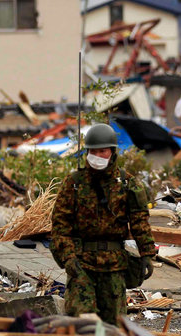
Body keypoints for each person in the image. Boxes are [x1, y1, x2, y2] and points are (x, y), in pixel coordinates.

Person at [49, 123, 157, 324]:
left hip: (114, 267)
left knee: (114, 326)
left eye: (102, 151)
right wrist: (68, 258)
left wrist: (147, 255)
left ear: (112, 152)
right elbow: (60, 226)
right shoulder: (74, 183)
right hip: (82, 265)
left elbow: (140, 221)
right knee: (81, 323)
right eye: (93, 151)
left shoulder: (127, 183)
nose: (97, 155)